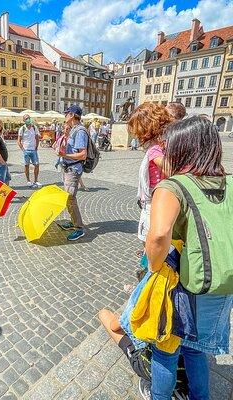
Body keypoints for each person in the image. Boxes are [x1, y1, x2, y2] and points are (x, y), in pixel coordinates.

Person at [145, 116, 233, 399]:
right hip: (223, 280)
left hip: (187, 281)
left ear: (182, 148)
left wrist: (153, 266)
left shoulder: (174, 187)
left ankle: (160, 396)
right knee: (195, 348)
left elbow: (158, 235)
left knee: (166, 348)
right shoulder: (229, 182)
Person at [98, 309, 188, 400]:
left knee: (104, 314)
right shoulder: (198, 308)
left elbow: (115, 326)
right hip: (191, 372)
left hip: (157, 367)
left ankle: (153, 390)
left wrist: (123, 317)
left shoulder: (150, 299)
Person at [128, 103, 173, 249]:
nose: (135, 133)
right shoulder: (165, 143)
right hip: (160, 198)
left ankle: (151, 267)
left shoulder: (155, 149)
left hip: (154, 200)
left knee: (150, 241)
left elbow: (172, 169)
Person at [56, 105, 88, 241]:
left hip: (73, 170)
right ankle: (73, 221)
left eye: (67, 113)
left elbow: (83, 155)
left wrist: (65, 154)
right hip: (68, 167)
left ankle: (79, 228)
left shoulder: (80, 131)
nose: (65, 115)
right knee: (68, 198)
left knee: (70, 199)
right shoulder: (74, 129)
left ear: (73, 115)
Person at [17, 114, 41, 188]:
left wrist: (36, 146)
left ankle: (36, 180)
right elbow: (18, 141)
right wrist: (23, 150)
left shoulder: (34, 127)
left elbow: (37, 138)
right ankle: (28, 180)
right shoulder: (22, 128)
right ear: (24, 120)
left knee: (36, 165)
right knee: (26, 165)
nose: (28, 119)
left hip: (33, 150)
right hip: (26, 150)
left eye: (29, 118)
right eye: (26, 118)